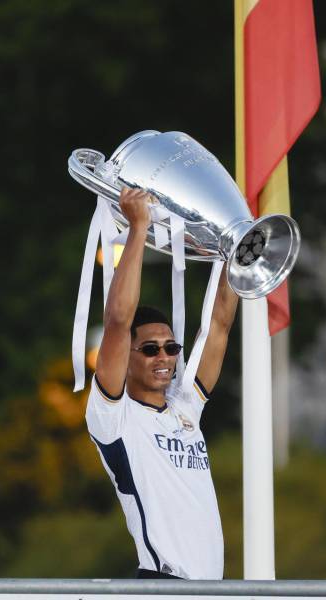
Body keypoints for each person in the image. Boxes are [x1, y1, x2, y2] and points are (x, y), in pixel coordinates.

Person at [85, 186, 239, 580]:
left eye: (171, 347)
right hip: (164, 585)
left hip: (209, 590)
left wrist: (236, 243)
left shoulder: (185, 405)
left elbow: (218, 326)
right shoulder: (114, 418)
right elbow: (119, 321)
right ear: (128, 356)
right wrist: (139, 228)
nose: (165, 357)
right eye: (150, 349)